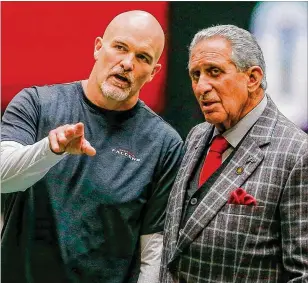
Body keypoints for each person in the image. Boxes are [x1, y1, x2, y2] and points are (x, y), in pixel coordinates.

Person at [1, 10, 183, 283]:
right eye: (120, 47)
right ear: (98, 48)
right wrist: (51, 150)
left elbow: (154, 250)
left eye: (142, 57)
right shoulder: (36, 104)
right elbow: (3, 179)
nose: (127, 63)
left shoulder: (164, 144)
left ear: (153, 72)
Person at [160, 25, 308, 282]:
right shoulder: (196, 135)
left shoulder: (297, 153)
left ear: (252, 78)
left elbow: (302, 274)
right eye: (195, 75)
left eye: (214, 72)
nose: (201, 87)